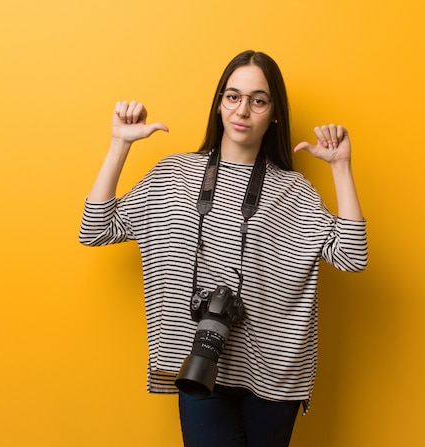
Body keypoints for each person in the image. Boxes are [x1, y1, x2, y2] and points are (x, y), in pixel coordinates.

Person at [79, 50, 368, 447]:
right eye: (232, 96)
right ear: (219, 104)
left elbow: (352, 257)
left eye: (258, 100)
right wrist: (118, 145)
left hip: (274, 369)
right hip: (199, 361)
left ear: (275, 113)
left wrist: (341, 167)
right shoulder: (174, 175)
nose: (242, 110)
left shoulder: (294, 191)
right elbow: (96, 229)